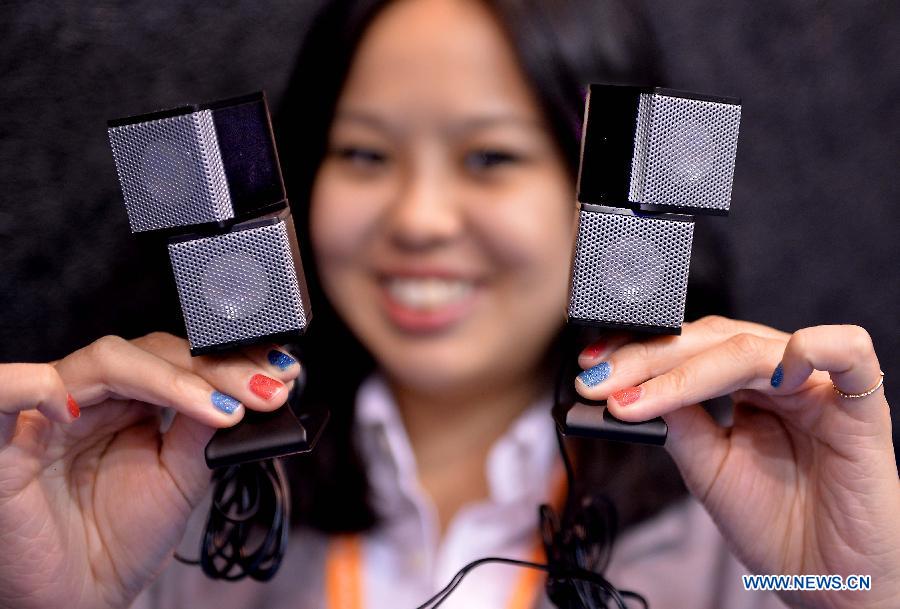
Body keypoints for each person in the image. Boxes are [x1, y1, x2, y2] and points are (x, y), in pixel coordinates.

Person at [1, 0, 897, 608]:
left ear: (609, 188)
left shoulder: (749, 535)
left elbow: (846, 591)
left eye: (490, 158)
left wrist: (854, 591)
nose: (419, 220)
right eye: (364, 154)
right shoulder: (161, 533)